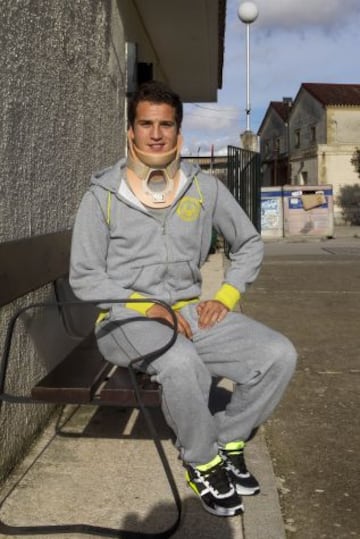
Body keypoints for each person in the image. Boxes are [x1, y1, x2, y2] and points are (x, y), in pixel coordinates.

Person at [70, 80, 297, 518]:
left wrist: (227, 296)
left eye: (166, 125)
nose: (156, 134)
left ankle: (229, 439)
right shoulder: (101, 195)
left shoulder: (203, 187)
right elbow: (84, 275)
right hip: (122, 320)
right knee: (180, 361)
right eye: (146, 124)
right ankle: (201, 460)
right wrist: (144, 305)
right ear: (131, 132)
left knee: (277, 354)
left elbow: (248, 244)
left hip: (190, 311)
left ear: (178, 133)